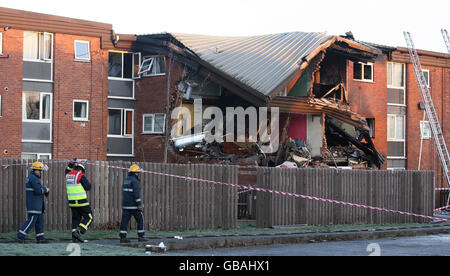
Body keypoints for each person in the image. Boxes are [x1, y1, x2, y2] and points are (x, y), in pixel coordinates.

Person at [17, 161, 50, 243]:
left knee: (40, 221)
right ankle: (20, 236)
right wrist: (46, 189)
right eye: (40, 171)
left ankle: (40, 238)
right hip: (34, 204)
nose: (40, 173)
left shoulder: (32, 177)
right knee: (31, 221)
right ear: (36, 170)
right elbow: (38, 191)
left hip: (37, 204)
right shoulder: (33, 178)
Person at [65, 161, 93, 243]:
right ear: (81, 170)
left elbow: (66, 170)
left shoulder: (68, 175)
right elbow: (88, 187)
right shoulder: (80, 175)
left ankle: (74, 237)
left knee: (76, 219)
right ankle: (79, 231)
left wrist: (70, 164)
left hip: (72, 203)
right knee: (89, 217)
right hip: (81, 202)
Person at [119, 164, 147, 243]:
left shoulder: (126, 180)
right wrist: (139, 204)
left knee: (124, 222)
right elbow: (136, 194)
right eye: (138, 172)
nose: (138, 174)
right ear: (135, 173)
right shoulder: (135, 181)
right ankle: (141, 236)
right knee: (140, 219)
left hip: (126, 205)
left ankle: (122, 238)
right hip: (134, 206)